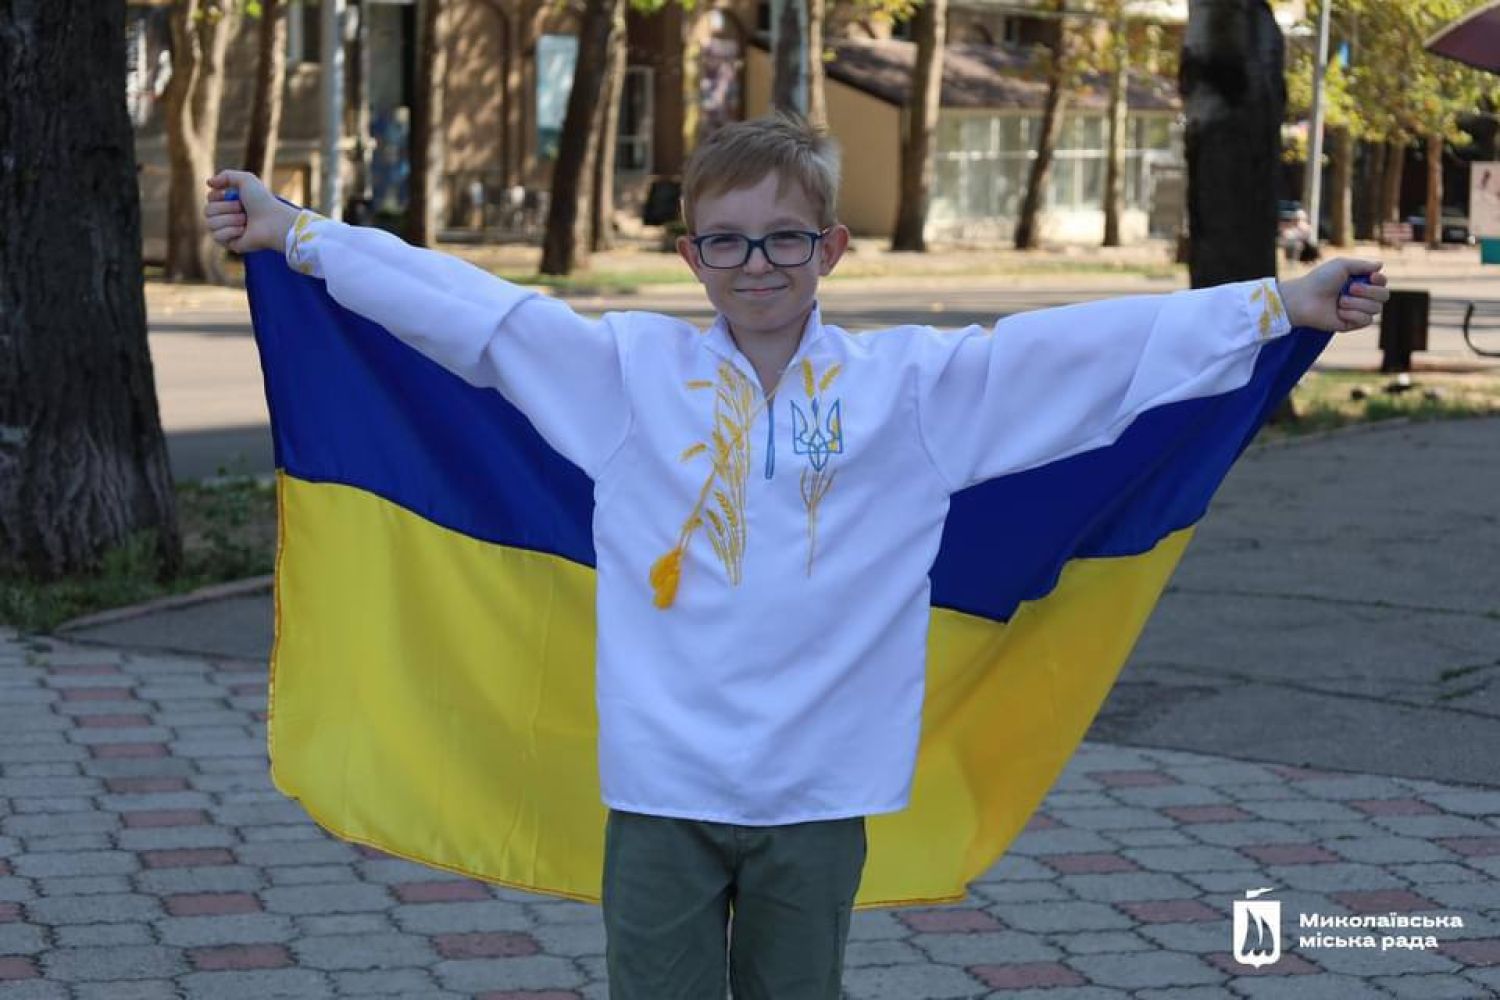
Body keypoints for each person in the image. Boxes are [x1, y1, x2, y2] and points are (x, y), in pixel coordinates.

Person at [205, 113, 1388, 1000]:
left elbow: (1077, 356)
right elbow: (477, 314)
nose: (757, 267)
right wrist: (297, 233)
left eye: (782, 240)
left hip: (820, 790)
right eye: (726, 243)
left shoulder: (909, 392)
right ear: (688, 254)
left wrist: (1276, 305)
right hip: (662, 788)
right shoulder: (627, 376)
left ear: (830, 243)